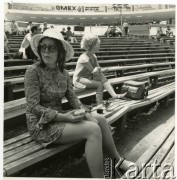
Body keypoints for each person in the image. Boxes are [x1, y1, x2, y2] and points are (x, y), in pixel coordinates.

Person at [24, 29, 134, 178]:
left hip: (59, 117)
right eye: (43, 47)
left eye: (52, 47)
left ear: (60, 52)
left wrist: (86, 113)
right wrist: (65, 118)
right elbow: (33, 107)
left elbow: (73, 98)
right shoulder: (33, 71)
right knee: (92, 130)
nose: (46, 51)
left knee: (99, 120)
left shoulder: (62, 73)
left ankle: (118, 161)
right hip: (40, 124)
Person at [73, 34, 126, 105]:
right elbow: (94, 71)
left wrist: (100, 70)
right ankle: (99, 104)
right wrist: (99, 70)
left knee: (101, 76)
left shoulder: (93, 56)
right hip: (79, 80)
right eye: (97, 44)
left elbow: (98, 69)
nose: (99, 46)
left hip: (89, 77)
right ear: (92, 46)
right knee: (99, 84)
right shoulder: (84, 58)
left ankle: (114, 96)